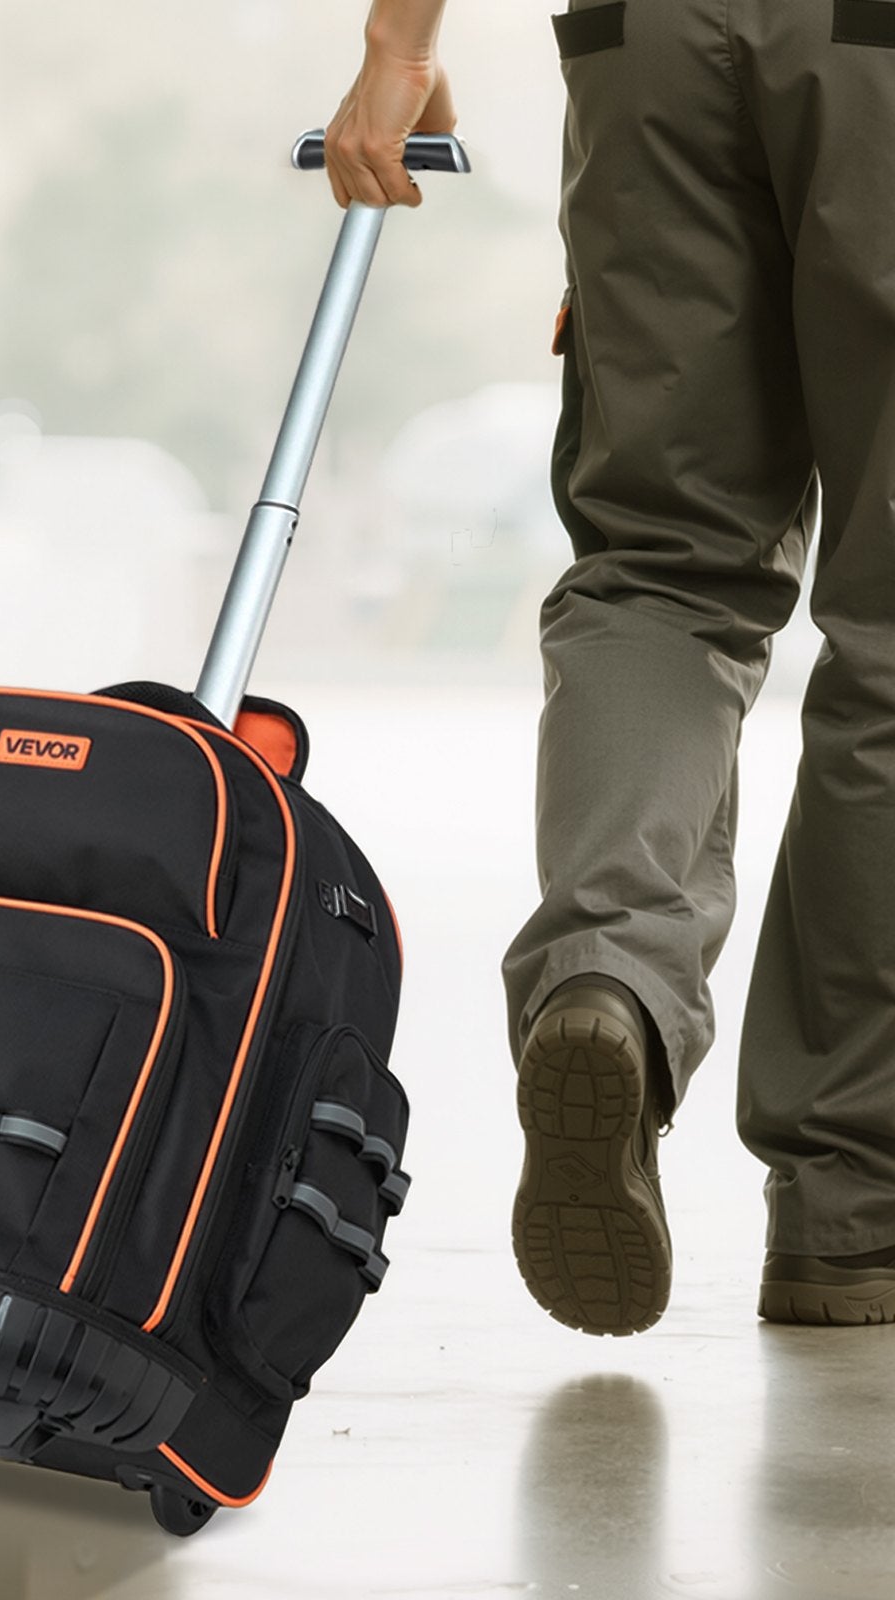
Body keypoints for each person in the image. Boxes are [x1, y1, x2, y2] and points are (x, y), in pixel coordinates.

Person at [324, 0, 895, 1334]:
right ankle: (855, 1209)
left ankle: (609, 982)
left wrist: (396, 48)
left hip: (655, 40)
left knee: (662, 568)